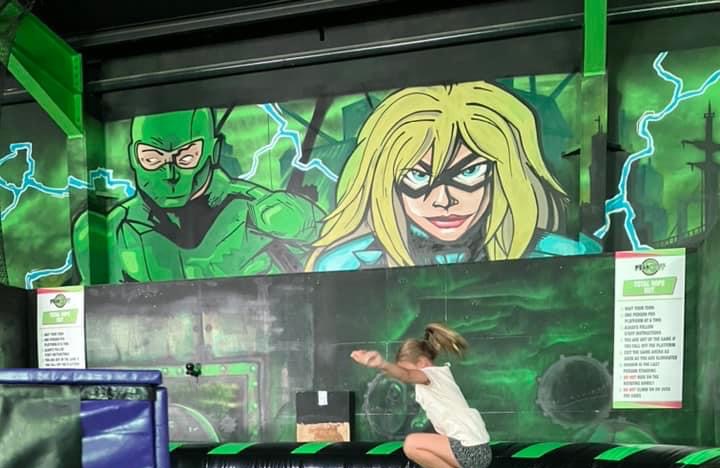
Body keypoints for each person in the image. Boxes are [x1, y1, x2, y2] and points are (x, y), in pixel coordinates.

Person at [309, 82, 601, 272]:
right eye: (417, 176)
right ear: (386, 184)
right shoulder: (343, 265)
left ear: (506, 174)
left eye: (468, 171)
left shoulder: (560, 256)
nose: (443, 200)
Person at [72, 108, 324, 283]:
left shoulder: (260, 211)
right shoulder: (110, 231)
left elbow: (331, 253)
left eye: (186, 158)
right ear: (133, 157)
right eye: (152, 159)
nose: (170, 175)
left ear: (213, 151)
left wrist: (304, 224)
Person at [351, 323, 491, 468]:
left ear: (423, 363)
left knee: (411, 444)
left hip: (472, 451)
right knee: (423, 440)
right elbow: (404, 374)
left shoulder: (431, 375)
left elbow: (407, 375)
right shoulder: (437, 380)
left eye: (407, 370)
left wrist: (382, 363)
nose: (404, 379)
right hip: (477, 449)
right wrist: (378, 367)